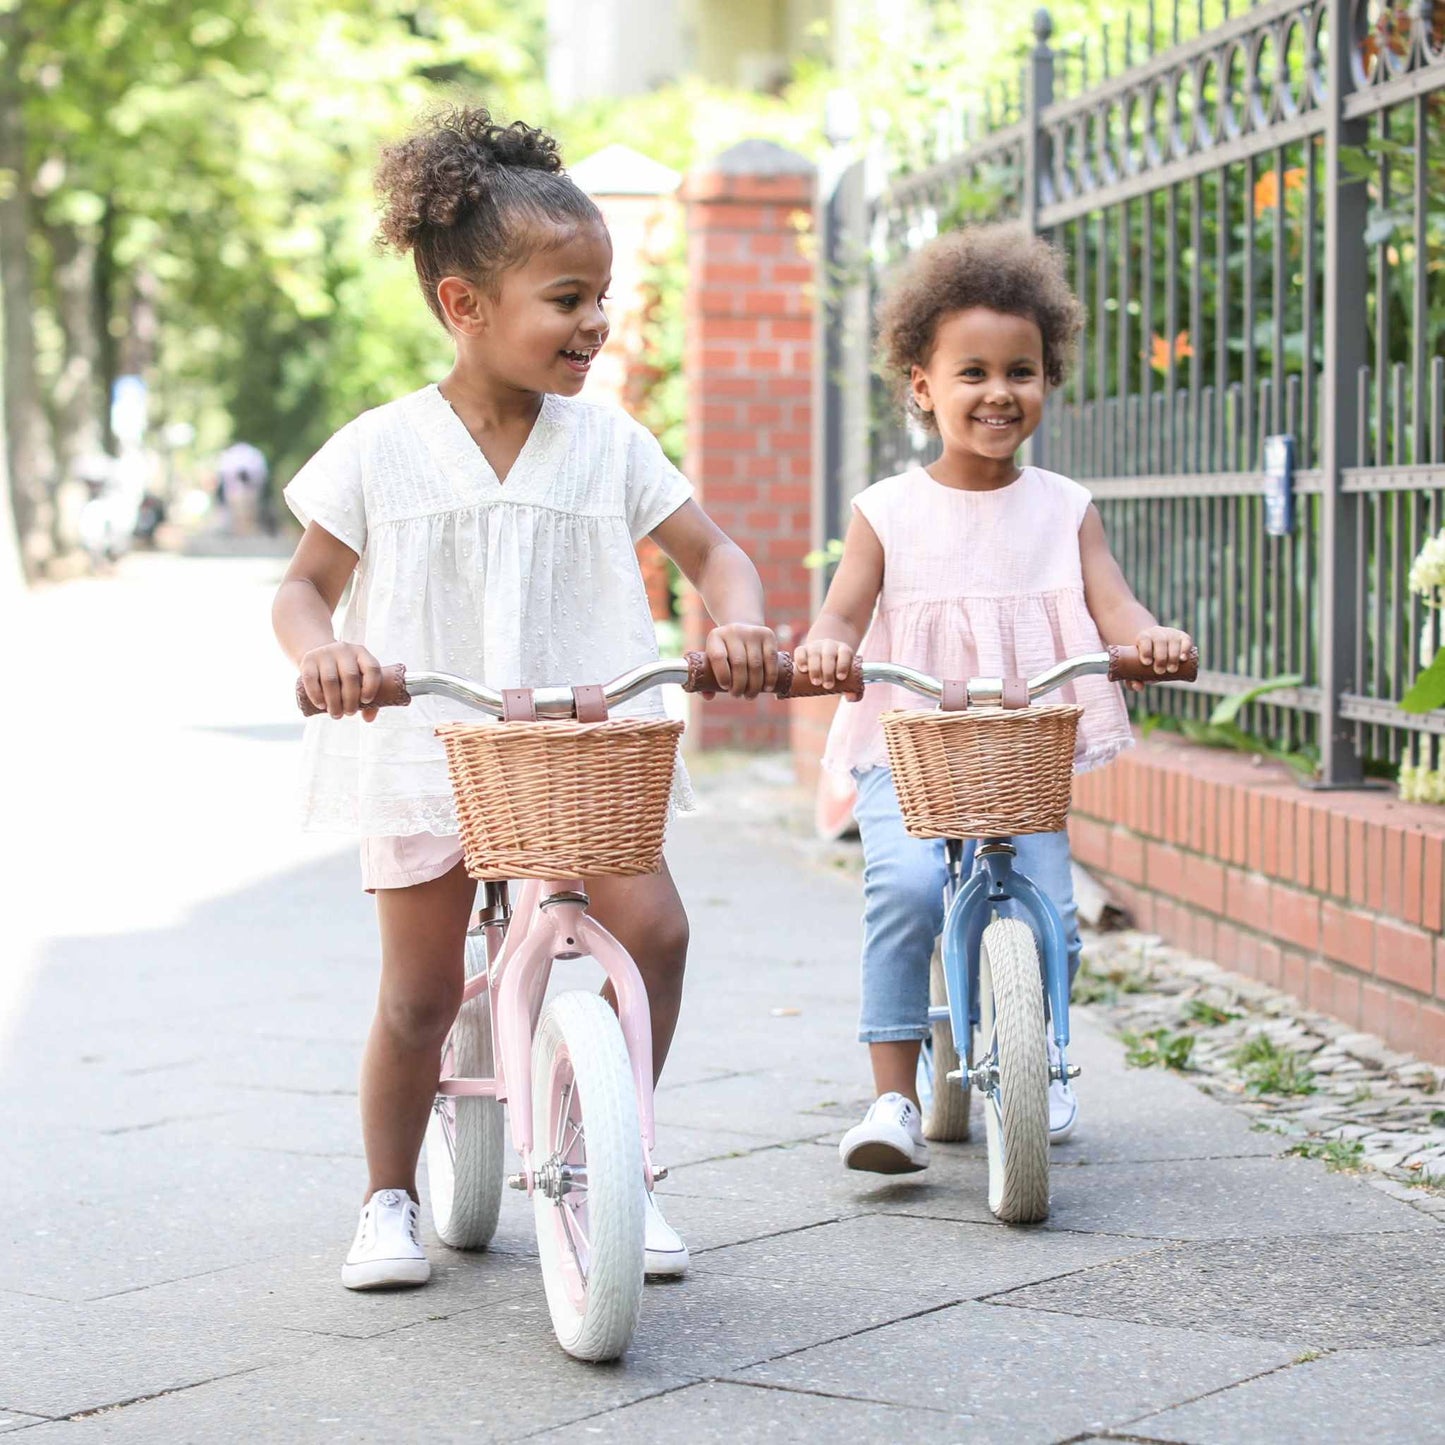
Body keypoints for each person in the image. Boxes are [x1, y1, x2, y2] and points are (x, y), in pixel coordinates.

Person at [271, 107, 778, 1288]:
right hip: (425, 743)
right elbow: (301, 588)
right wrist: (322, 654)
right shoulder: (379, 449)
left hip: (577, 747)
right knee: (419, 991)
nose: (594, 322)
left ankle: (620, 1153)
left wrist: (740, 621)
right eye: (566, 298)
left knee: (655, 928)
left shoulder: (608, 444)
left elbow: (716, 555)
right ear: (465, 306)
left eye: (600, 295)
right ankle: (387, 1194)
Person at [793, 224, 1192, 1174]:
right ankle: (893, 1090)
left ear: (1046, 380)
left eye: (1021, 370)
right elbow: (843, 613)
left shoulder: (1065, 507)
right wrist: (823, 648)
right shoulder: (886, 510)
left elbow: (1114, 605)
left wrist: (1146, 639)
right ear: (922, 387)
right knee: (907, 887)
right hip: (909, 745)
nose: (997, 392)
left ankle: (1041, 1052)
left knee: (1050, 909)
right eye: (970, 372)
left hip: (1018, 751)